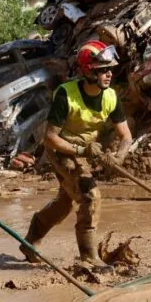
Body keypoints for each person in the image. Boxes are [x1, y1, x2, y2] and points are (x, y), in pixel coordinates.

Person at [20, 40, 133, 269]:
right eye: (102, 70)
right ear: (88, 70)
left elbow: (126, 137)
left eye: (109, 70)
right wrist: (82, 150)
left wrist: (118, 157)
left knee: (65, 203)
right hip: (61, 150)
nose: (108, 75)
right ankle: (89, 257)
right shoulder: (66, 94)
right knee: (90, 196)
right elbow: (50, 137)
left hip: (85, 152)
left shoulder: (111, 96)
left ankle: (30, 242)